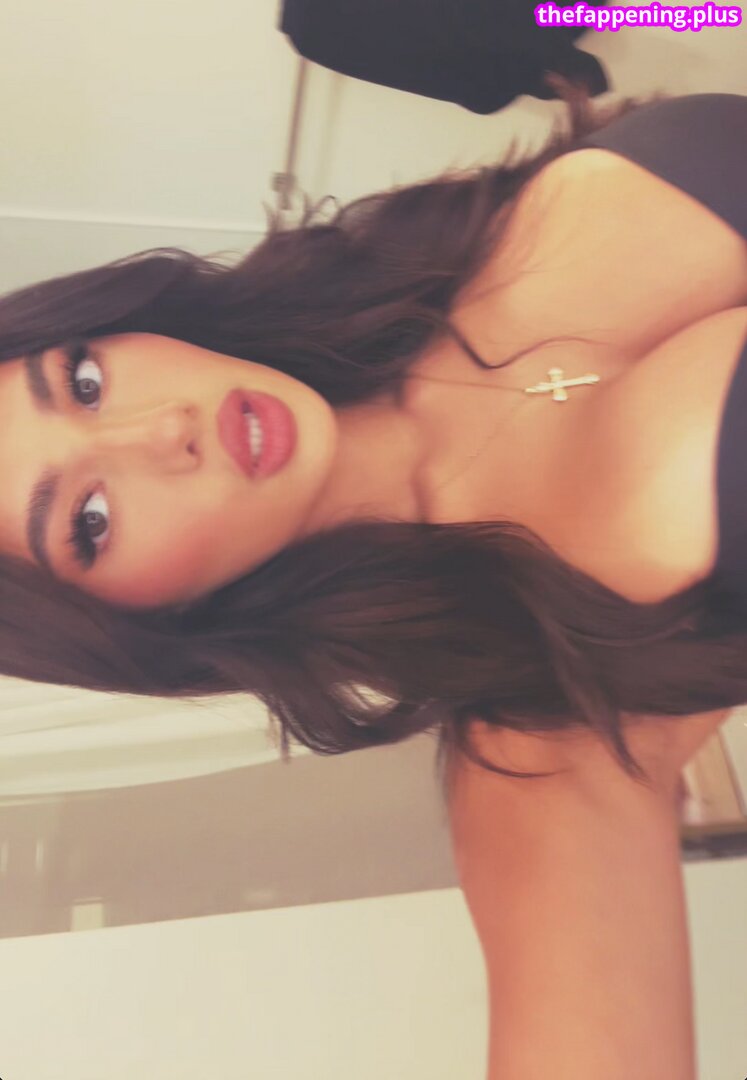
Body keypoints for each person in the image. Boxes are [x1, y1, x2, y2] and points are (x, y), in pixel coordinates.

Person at [0, 90, 745, 1075]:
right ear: (139, 624)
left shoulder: (419, 247)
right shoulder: (541, 736)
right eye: (89, 521)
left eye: (85, 383)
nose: (160, 429)